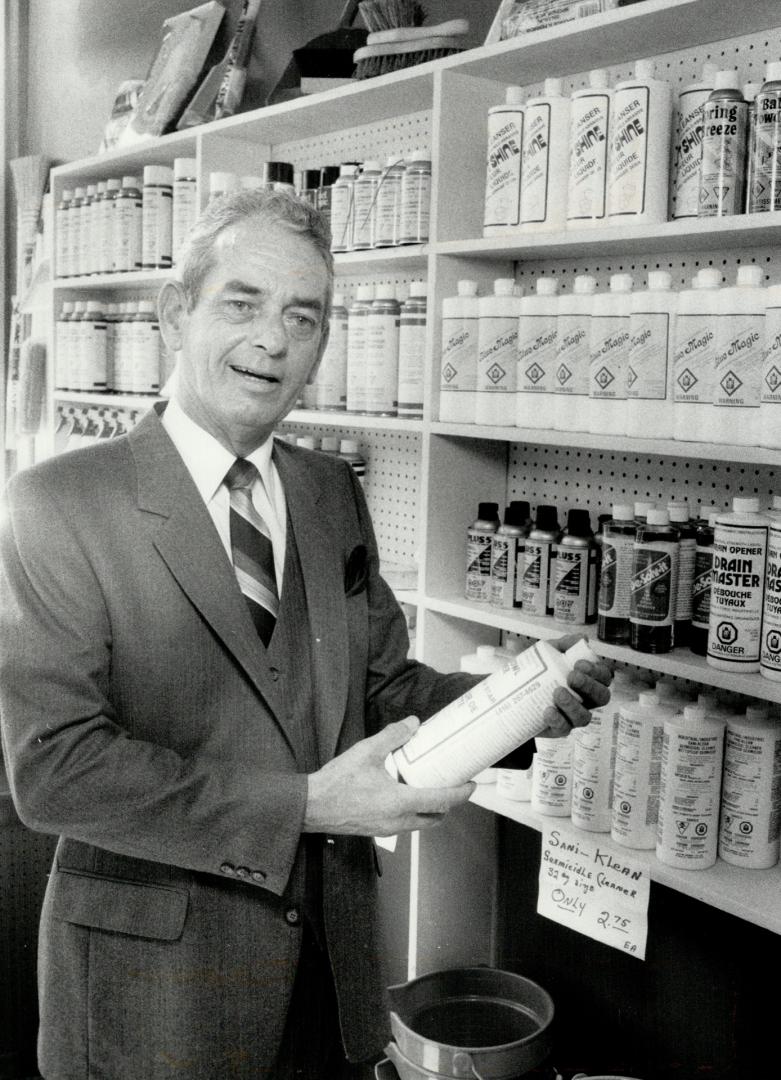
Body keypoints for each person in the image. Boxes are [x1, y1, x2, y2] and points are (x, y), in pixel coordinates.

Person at [0, 188, 612, 1080]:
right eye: (241, 303)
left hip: (330, 981)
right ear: (178, 313)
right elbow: (56, 772)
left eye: (304, 316)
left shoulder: (330, 493)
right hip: (153, 1001)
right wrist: (310, 805)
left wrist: (517, 705)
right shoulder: (58, 504)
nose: (273, 340)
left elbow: (383, 689)